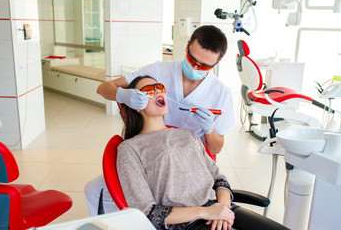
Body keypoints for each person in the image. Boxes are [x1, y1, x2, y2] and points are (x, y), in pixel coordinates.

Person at [85, 25, 235, 215]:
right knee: (94, 190)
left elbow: (216, 149)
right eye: (192, 59)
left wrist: (209, 129)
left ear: (216, 63)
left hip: (191, 159)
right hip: (156, 158)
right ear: (187, 46)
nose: (196, 68)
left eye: (204, 66)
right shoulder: (159, 71)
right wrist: (122, 95)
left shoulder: (221, 94)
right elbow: (104, 88)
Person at [117, 75, 234, 230]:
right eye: (148, 91)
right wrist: (206, 212)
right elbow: (146, 212)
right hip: (189, 223)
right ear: (136, 104)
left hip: (222, 209)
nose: (157, 92)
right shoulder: (130, 148)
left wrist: (223, 208)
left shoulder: (188, 134)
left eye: (160, 88)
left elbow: (218, 178)